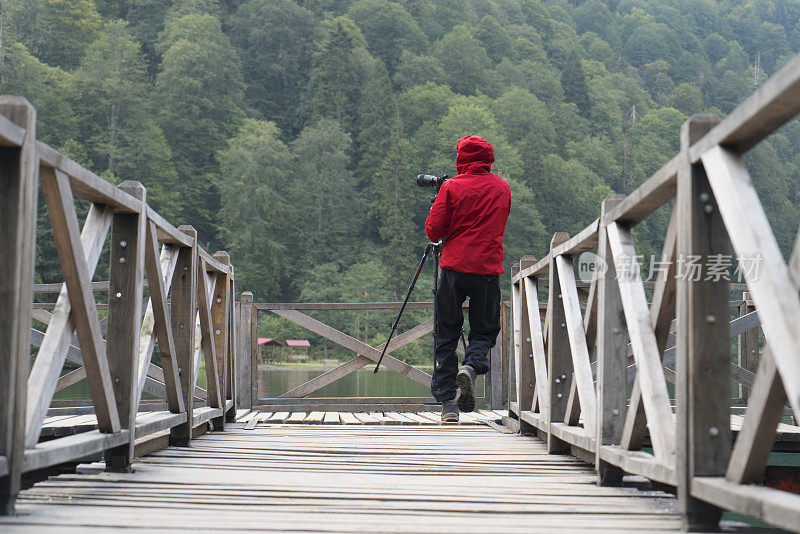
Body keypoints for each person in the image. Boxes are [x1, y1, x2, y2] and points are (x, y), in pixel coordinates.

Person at [424, 134, 511, 422]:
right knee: (484, 330)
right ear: (489, 158)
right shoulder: (502, 188)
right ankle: (471, 368)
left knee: (446, 333)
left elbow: (433, 231)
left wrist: (440, 201)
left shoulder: (450, 187)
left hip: (454, 268)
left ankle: (449, 405)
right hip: (486, 269)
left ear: (461, 158)